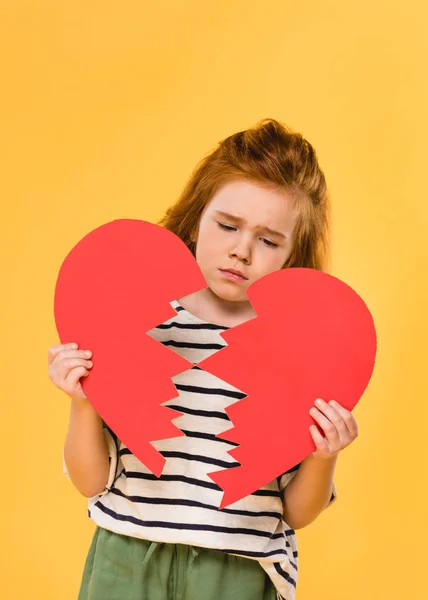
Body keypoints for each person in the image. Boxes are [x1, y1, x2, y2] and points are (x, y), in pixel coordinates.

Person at [48, 118, 359, 600]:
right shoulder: (141, 322)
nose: (241, 251)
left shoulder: (297, 349)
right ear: (197, 218)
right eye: (228, 225)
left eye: (269, 240)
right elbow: (90, 481)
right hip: (126, 558)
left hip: (237, 572)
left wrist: (324, 457)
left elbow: (295, 513)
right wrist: (82, 399)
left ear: (293, 254)